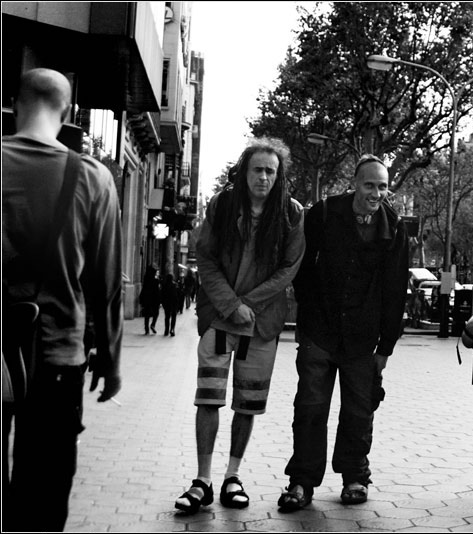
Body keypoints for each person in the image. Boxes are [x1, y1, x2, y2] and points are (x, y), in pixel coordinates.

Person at [2, 67, 123, 532]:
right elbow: (105, 284)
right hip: (55, 357)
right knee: (44, 495)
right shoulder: (92, 179)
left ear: (14, 103)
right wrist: (111, 361)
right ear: (69, 112)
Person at [174, 137, 305, 514]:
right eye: (257, 170)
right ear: (245, 171)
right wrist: (231, 305)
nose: (263, 177)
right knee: (209, 398)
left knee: (247, 404)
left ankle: (233, 476)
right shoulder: (222, 205)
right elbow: (206, 257)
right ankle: (202, 480)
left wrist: (249, 304)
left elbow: (288, 269)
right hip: (219, 319)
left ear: (278, 176)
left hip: (261, 326)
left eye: (270, 171)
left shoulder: (291, 214)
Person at [278, 154, 409, 511]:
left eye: (382, 186)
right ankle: (301, 482)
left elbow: (396, 290)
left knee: (359, 410)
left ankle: (355, 477)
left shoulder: (394, 227)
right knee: (310, 407)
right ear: (355, 184)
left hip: (363, 338)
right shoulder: (322, 214)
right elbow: (303, 272)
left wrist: (387, 345)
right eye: (370, 185)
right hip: (320, 332)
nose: (376, 193)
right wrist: (307, 321)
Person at [139, 265, 160, 334]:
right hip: (154, 299)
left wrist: (141, 298)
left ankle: (146, 329)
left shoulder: (146, 279)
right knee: (156, 313)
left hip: (147, 299)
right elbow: (157, 291)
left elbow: (144, 289)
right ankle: (153, 324)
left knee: (147, 314)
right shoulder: (156, 281)